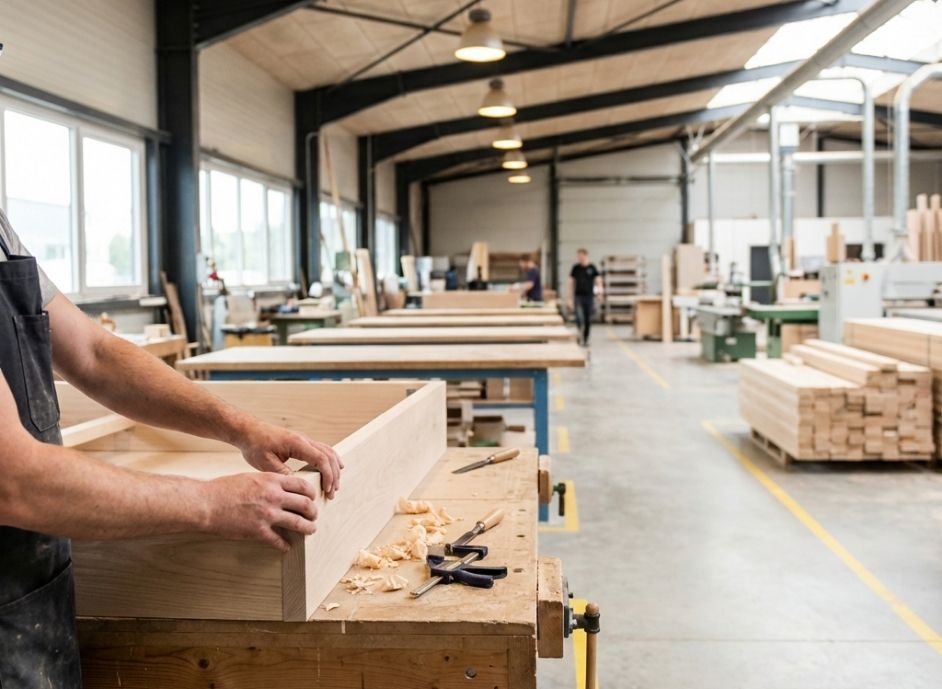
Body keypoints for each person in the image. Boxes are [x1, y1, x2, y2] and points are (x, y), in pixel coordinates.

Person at [0, 212, 342, 689]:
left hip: (33, 595)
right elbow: (13, 479)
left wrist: (242, 428)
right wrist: (210, 503)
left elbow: (94, 354)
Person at [568, 248, 603, 346]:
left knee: (588, 319)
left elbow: (598, 281)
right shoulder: (575, 268)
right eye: (578, 257)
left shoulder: (592, 268)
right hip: (578, 296)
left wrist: (600, 293)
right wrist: (569, 298)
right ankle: (580, 332)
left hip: (589, 297)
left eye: (582, 256)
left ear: (586, 256)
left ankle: (586, 338)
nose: (580, 258)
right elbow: (570, 283)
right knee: (579, 317)